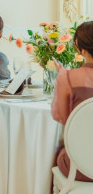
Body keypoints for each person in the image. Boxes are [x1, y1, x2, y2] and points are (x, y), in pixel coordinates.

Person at [51, 21, 93, 182]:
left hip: (80, 167)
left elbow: (64, 119)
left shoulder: (68, 77)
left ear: (82, 50)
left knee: (56, 152)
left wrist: (62, 76)